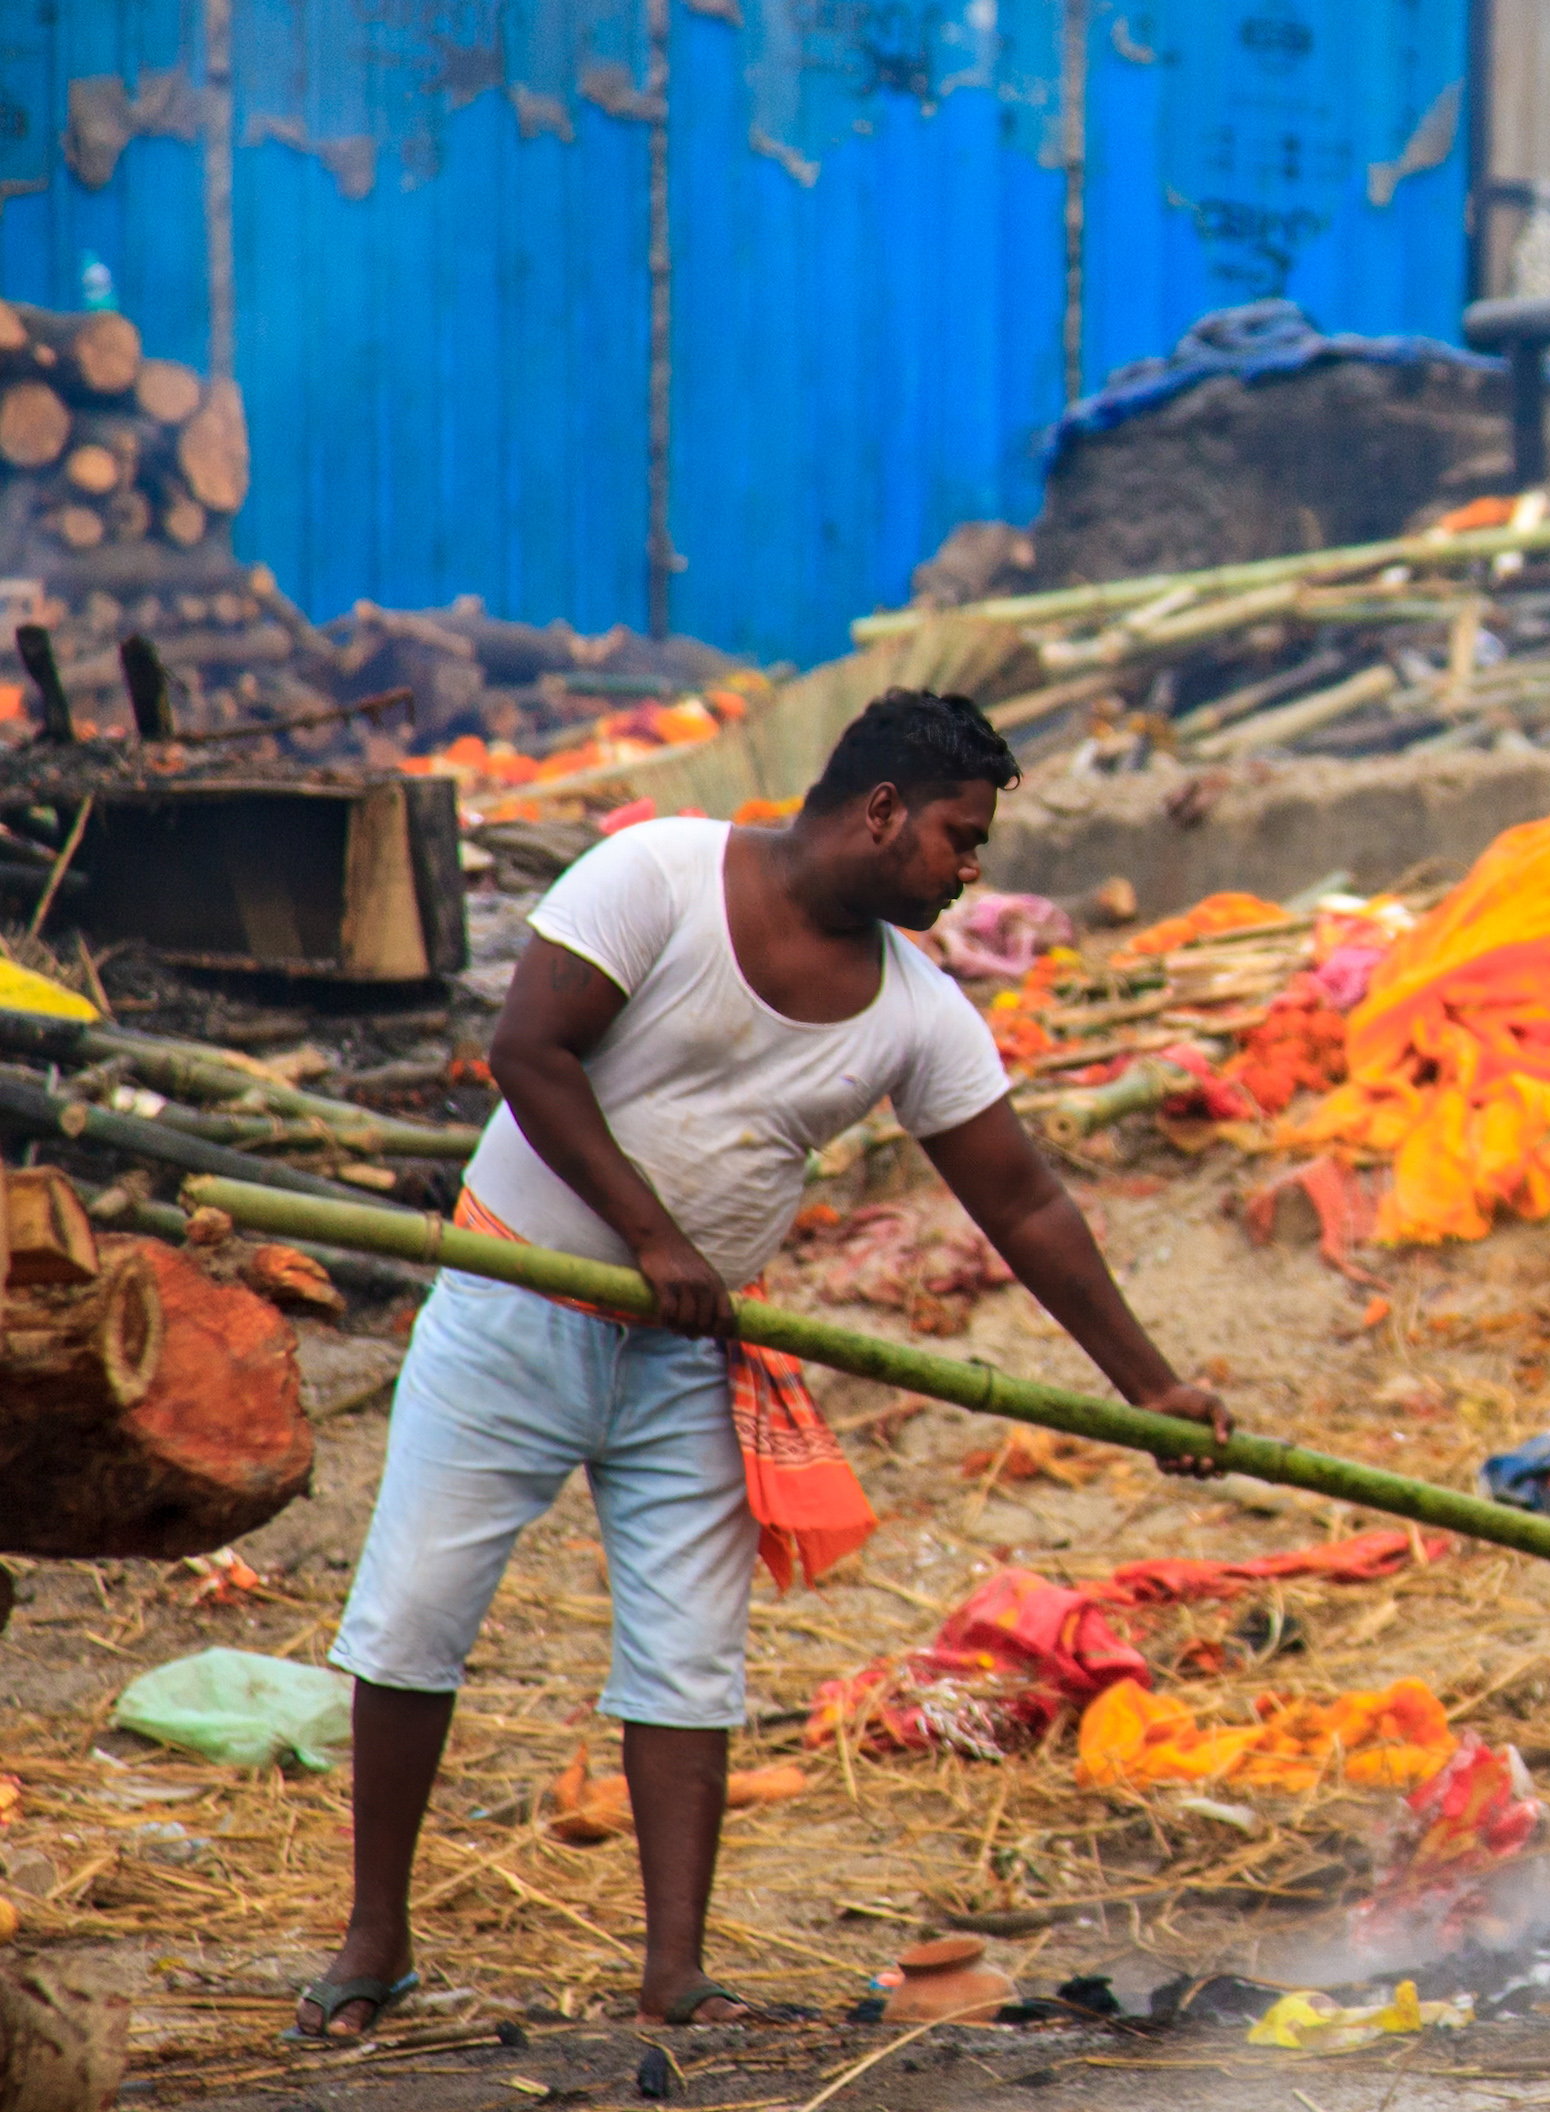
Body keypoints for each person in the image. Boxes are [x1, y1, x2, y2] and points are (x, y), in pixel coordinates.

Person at [296, 691, 1231, 2037]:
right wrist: (653, 1236)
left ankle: (675, 1978)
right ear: (883, 811)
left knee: (688, 1658)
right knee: (416, 1615)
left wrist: (1151, 1390)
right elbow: (528, 1055)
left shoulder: (918, 1012)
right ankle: (373, 1941)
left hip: (694, 1353)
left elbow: (1024, 1203)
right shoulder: (657, 875)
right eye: (962, 838)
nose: (972, 872)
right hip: (512, 1299)